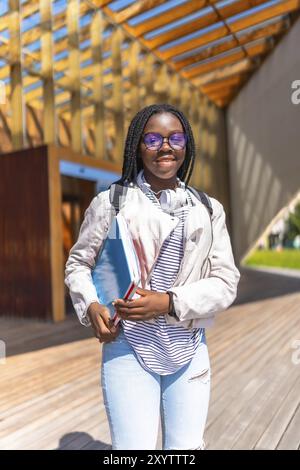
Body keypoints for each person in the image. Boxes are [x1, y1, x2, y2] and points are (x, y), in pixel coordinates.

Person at [65, 103, 240, 450]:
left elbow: (226, 280)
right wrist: (91, 307)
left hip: (187, 347)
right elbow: (78, 264)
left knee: (185, 450)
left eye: (175, 137)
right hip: (128, 346)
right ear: (137, 146)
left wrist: (169, 302)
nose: (165, 146)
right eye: (153, 138)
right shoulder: (111, 202)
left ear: (186, 144)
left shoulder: (208, 208)